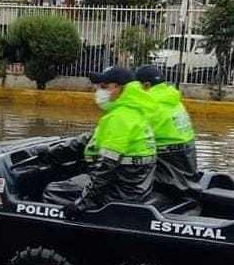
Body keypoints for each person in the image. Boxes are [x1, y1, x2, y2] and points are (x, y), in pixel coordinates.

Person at [40, 67, 157, 216]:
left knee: (53, 190)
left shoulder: (118, 118)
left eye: (104, 87)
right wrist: (52, 152)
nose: (99, 92)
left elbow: (105, 168)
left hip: (120, 192)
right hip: (135, 188)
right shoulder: (135, 112)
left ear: (119, 88)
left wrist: (83, 202)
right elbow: (92, 141)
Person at [134, 65, 198, 192]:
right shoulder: (174, 100)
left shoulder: (148, 104)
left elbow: (131, 134)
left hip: (167, 167)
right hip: (187, 163)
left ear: (146, 85)